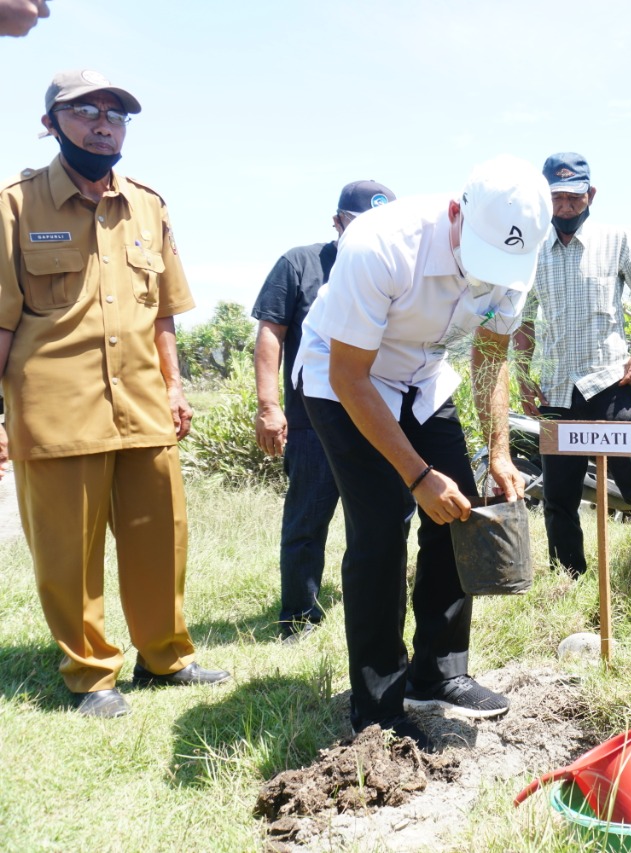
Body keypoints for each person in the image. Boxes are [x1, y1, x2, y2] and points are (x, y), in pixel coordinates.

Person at [295, 155, 550, 748]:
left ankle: (438, 672)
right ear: (456, 212)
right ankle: (378, 705)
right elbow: (351, 376)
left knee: (456, 516)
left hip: (424, 377)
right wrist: (415, 476)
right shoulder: (381, 244)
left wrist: (499, 453)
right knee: (382, 527)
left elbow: (490, 355)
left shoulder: (518, 261)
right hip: (344, 381)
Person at [0, 69, 229, 718]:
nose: (104, 123)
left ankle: (166, 656)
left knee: (161, 535)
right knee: (68, 550)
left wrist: (176, 385)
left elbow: (163, 313)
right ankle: (92, 672)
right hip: (56, 406)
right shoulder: (14, 204)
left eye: (116, 113)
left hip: (144, 403)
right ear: (50, 122)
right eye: (85, 111)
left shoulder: (149, 205)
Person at [514, 153, 631, 578]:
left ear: (591, 194)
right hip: (556, 391)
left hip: (610, 384)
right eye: (557, 199)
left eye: (574, 197)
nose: (566, 207)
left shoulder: (616, 240)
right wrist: (522, 375)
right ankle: (568, 580)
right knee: (558, 497)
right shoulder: (532, 252)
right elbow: (525, 319)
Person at [253, 179, 396, 641]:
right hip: (313, 418)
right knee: (307, 519)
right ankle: (298, 617)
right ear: (337, 223)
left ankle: (378, 609)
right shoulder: (300, 263)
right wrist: (269, 406)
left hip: (377, 417)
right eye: (358, 224)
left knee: (381, 518)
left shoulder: (396, 269)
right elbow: (271, 334)